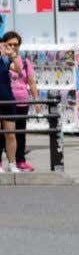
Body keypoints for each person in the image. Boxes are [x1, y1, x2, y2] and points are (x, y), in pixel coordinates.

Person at [2, 31, 36, 171]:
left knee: (16, 134)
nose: (12, 47)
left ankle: (16, 162)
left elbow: (22, 73)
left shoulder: (16, 61)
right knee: (4, 135)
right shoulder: (3, 60)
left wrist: (36, 98)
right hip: (5, 100)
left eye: (15, 45)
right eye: (9, 44)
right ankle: (4, 162)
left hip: (16, 101)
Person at [0, 37, 16, 173]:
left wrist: (12, 54)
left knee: (10, 134)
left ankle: (12, 164)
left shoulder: (6, 60)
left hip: (8, 100)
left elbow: (19, 69)